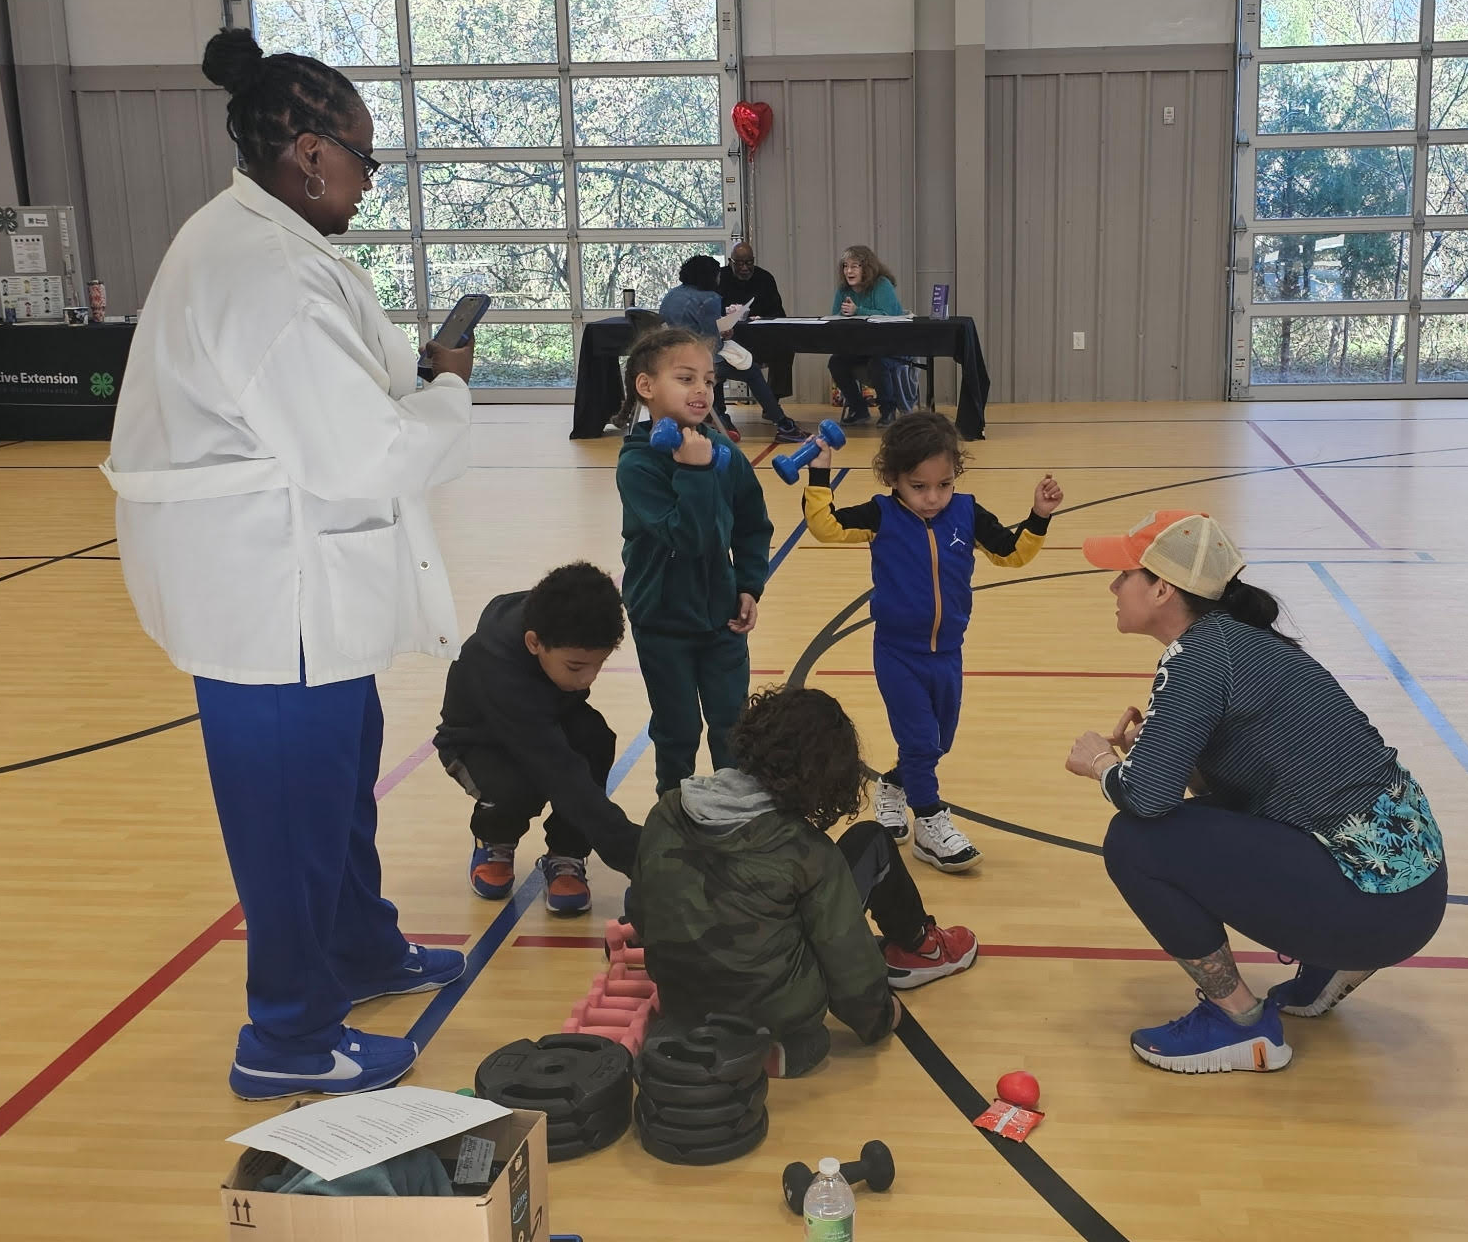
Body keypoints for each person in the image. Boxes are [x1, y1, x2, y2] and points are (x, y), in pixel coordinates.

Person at [103, 27, 474, 1100]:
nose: (369, 178)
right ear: (311, 154)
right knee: (288, 820)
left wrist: (414, 372)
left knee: (340, 783)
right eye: (364, 157)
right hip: (264, 602)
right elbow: (357, 451)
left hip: (299, 587)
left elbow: (334, 397)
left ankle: (356, 950)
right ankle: (286, 1032)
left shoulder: (273, 244)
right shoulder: (260, 267)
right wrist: (448, 393)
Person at [1064, 510, 1447, 1076]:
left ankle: (1239, 1022)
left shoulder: (1197, 656)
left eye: (1126, 574)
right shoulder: (1245, 641)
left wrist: (1101, 764)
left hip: (1371, 907)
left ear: (1163, 588)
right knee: (1206, 818)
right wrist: (1171, 751)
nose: (1114, 586)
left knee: (1136, 841)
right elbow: (1251, 783)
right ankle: (1329, 962)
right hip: (1412, 893)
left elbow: (1146, 799)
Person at [635, 685, 978, 1079]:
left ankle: (706, 1025)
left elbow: (643, 915)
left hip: (681, 1000)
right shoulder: (809, 853)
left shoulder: (668, 808)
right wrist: (882, 1016)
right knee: (872, 841)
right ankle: (921, 946)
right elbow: (848, 968)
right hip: (771, 1013)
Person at [803, 411, 1060, 873]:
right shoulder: (880, 516)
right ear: (893, 479)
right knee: (920, 741)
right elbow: (826, 527)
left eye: (943, 485)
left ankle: (893, 787)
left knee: (939, 742)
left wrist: (1038, 517)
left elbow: (1012, 553)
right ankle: (930, 823)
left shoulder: (966, 512)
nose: (933, 498)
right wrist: (819, 470)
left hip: (948, 653)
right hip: (897, 653)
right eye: (919, 486)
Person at [614, 325, 774, 798]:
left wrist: (748, 584)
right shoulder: (638, 465)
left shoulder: (722, 451)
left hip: (721, 617)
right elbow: (688, 537)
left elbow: (751, 524)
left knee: (732, 724)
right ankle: (675, 813)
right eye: (686, 378)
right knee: (677, 727)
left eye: (708, 379)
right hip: (662, 619)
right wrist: (694, 471)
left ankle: (735, 809)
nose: (702, 389)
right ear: (647, 387)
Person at [435, 562, 642, 916]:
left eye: (599, 663)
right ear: (533, 643)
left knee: (595, 739)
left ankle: (566, 854)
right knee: (519, 787)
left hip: (545, 721)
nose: (586, 680)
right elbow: (558, 771)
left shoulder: (551, 617)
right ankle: (494, 837)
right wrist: (641, 858)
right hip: (475, 740)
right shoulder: (500, 667)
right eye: (576, 667)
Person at [657, 252, 805, 444]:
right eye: (717, 274)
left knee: (716, 366)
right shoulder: (710, 298)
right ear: (709, 277)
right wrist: (725, 332)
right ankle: (783, 424)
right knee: (750, 370)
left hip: (673, 359)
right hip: (698, 360)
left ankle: (719, 416)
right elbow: (713, 344)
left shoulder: (671, 295)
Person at [826, 245, 916, 427]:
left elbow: (888, 316)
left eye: (854, 266)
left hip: (894, 347)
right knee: (836, 362)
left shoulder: (882, 284)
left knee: (878, 361)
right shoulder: (843, 290)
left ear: (866, 268)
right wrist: (842, 314)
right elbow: (835, 317)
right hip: (863, 347)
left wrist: (857, 310)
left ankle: (888, 410)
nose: (848, 271)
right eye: (845, 266)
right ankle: (859, 409)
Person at [719, 240, 785, 322]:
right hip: (725, 329)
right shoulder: (719, 278)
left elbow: (777, 313)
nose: (745, 268)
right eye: (740, 264)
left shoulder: (765, 278)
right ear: (730, 262)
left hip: (758, 330)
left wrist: (762, 319)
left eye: (749, 263)